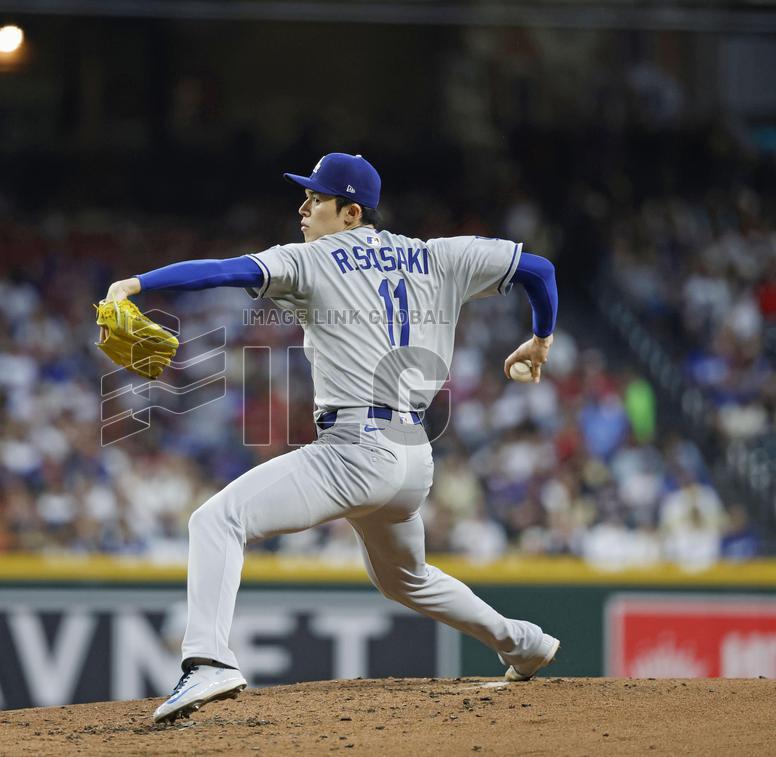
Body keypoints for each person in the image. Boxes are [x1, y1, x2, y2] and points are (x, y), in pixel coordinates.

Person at [103, 153, 561, 723]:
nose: (303, 207)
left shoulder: (315, 259)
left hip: (356, 449)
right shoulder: (439, 254)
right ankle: (523, 642)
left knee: (215, 520)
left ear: (349, 213)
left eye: (315, 198)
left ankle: (208, 662)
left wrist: (136, 283)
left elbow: (225, 270)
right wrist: (541, 340)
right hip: (413, 454)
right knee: (404, 579)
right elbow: (539, 270)